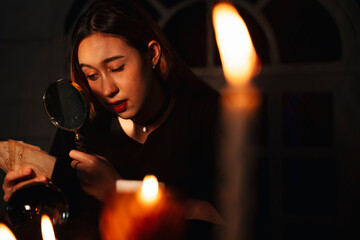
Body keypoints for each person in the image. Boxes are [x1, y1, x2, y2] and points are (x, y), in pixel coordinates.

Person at [2, 0, 223, 239]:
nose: (107, 89)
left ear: (152, 54)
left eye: (117, 68)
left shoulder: (210, 117)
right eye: (92, 75)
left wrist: (120, 191)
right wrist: (29, 195)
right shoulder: (81, 125)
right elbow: (57, 222)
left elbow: (230, 220)